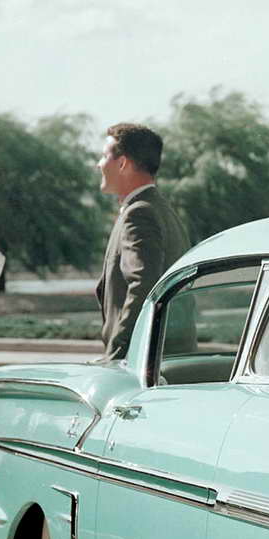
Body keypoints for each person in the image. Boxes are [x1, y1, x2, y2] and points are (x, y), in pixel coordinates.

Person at [95, 122, 190, 362]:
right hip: (167, 357)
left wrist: (116, 356)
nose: (99, 164)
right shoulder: (162, 209)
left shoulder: (139, 213)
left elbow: (143, 286)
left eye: (104, 156)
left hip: (144, 361)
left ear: (123, 163)